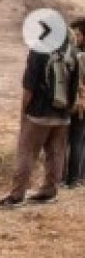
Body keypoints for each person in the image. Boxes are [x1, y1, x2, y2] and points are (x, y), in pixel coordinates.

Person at [0, 28, 81, 208]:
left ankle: (17, 196)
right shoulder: (72, 53)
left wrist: (23, 112)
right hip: (62, 115)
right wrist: (68, 111)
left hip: (38, 114)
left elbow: (29, 87)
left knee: (26, 152)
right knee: (56, 154)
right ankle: (50, 191)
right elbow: (74, 87)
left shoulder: (38, 51)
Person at [65, 19, 85, 188]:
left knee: (74, 140)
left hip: (78, 104)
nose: (75, 38)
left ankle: (70, 179)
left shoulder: (78, 56)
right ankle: (79, 177)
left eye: (77, 34)